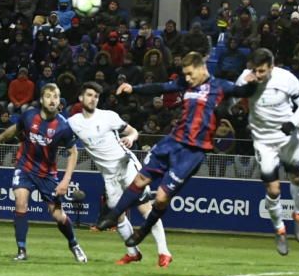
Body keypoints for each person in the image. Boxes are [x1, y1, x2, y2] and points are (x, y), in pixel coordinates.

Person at [94, 52, 260, 246]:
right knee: (140, 179)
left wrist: (253, 82)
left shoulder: (219, 86)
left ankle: (143, 231)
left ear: (201, 68)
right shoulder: (185, 84)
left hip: (193, 152)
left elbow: (242, 93)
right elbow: (162, 87)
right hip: (172, 142)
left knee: (162, 198)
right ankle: (114, 215)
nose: (187, 78)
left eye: (190, 74)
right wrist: (134, 88)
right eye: (185, 74)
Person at [68, 82, 173, 267]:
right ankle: (133, 253)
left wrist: (131, 138)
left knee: (145, 209)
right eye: (89, 95)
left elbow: (133, 131)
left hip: (126, 167)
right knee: (117, 216)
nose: (93, 99)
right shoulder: (73, 122)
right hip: (109, 176)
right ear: (80, 98)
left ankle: (164, 252)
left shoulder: (108, 117)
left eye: (96, 96)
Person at [0, 83, 87, 263]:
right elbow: (15, 129)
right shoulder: (29, 115)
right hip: (24, 166)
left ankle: (74, 244)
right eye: (48, 96)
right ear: (42, 99)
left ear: (59, 101)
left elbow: (74, 153)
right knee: (21, 202)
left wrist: (66, 181)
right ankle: (22, 250)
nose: (52, 100)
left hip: (47, 174)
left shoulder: (63, 126)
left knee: (57, 215)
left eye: (55, 97)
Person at [235, 49, 299, 255]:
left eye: (262, 70)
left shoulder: (287, 79)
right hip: (263, 141)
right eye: (255, 70)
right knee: (273, 190)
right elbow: (231, 99)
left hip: (288, 137)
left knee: (296, 178)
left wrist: (293, 122)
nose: (258, 75)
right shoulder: (245, 78)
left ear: (272, 66)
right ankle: (280, 230)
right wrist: (243, 89)